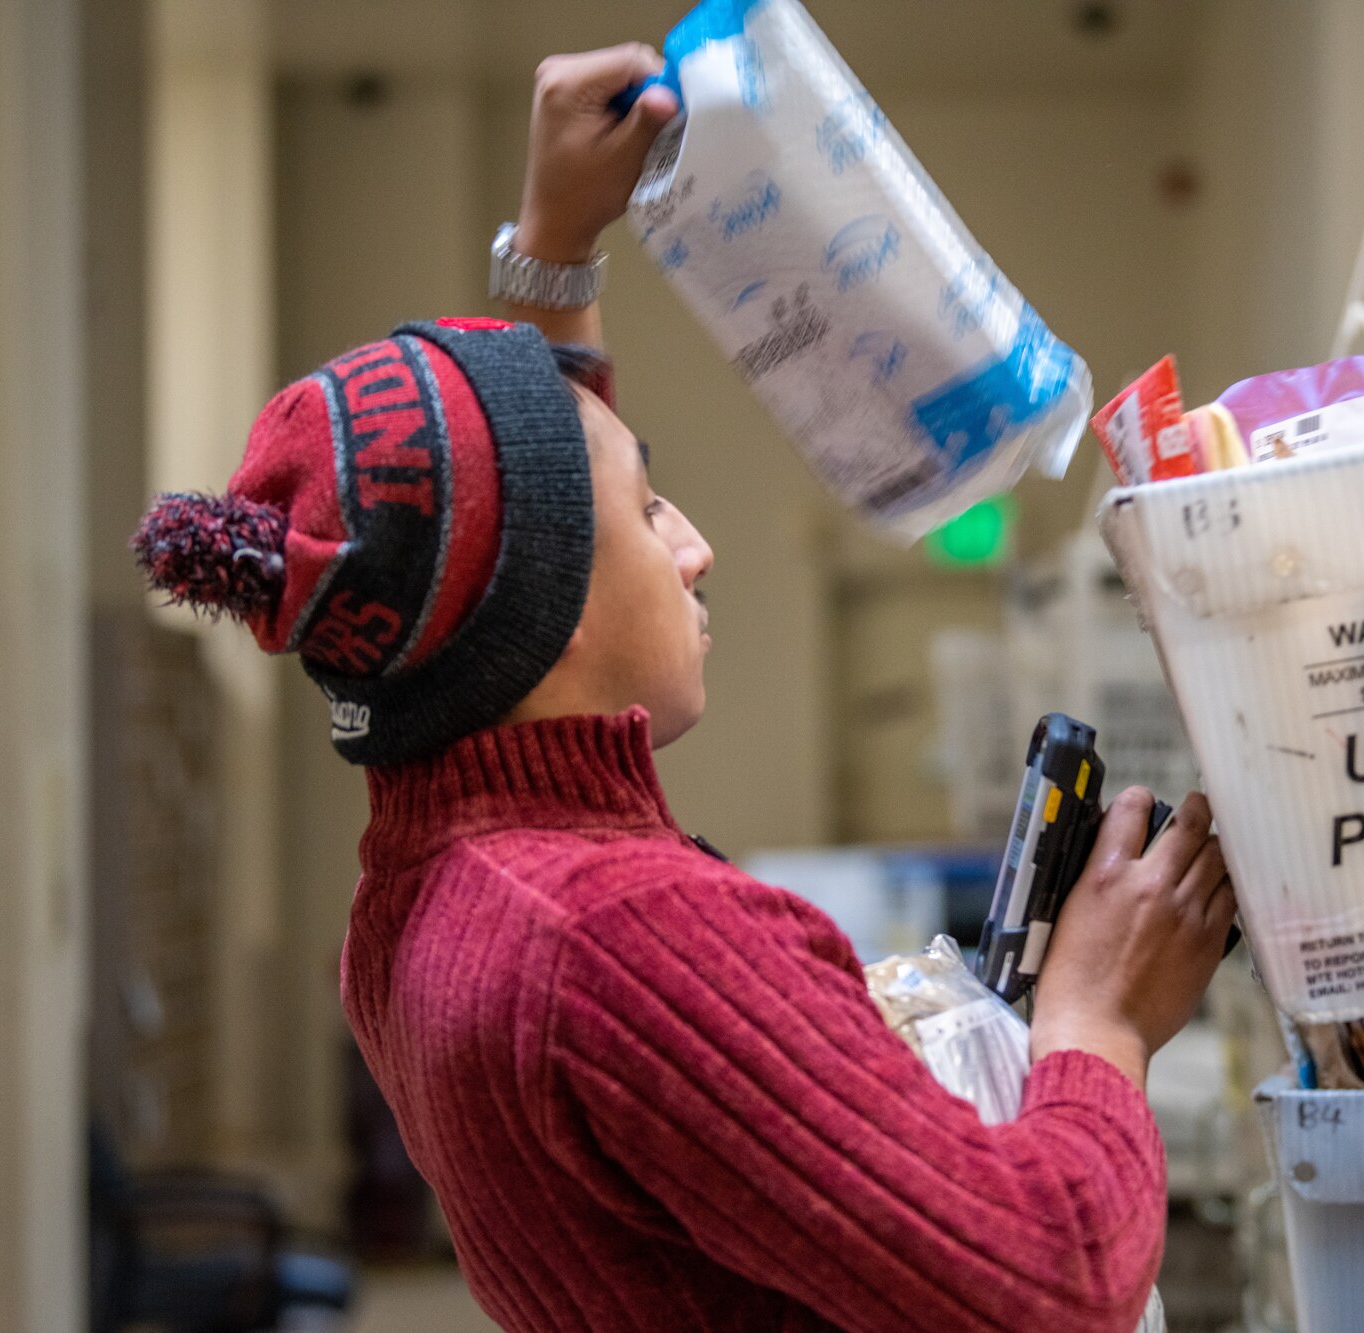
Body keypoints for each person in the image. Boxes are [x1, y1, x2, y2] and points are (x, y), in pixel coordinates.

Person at [133, 42, 1235, 1333]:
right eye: (652, 510)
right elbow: (1047, 1282)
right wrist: (1098, 1020)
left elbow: (523, 505)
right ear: (550, 613)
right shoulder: (624, 934)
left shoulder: (425, 887)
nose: (694, 546)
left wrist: (555, 247)